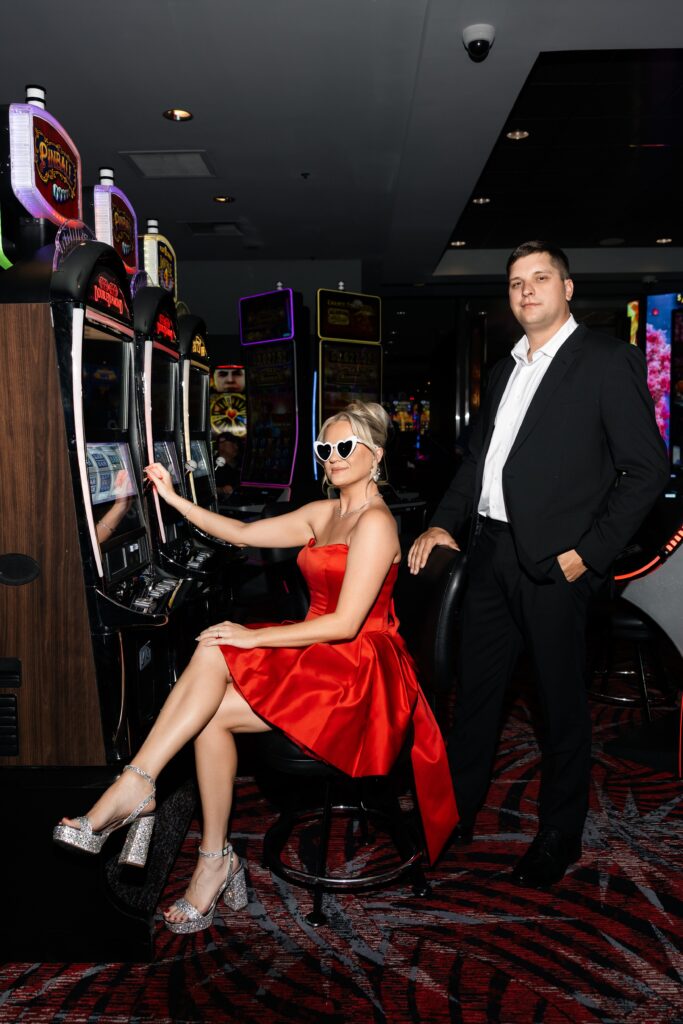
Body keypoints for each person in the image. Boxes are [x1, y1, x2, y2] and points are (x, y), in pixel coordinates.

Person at [54, 401, 458, 932]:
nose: (333, 459)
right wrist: (174, 498)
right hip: (320, 651)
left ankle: (140, 789)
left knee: (220, 644)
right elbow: (242, 535)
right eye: (324, 449)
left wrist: (252, 637)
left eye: (344, 448)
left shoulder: (377, 523)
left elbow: (345, 623)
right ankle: (209, 852)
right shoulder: (324, 511)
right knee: (212, 700)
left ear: (375, 455)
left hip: (358, 669)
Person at [408, 241, 669, 888]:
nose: (526, 291)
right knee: (475, 696)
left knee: (559, 708)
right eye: (516, 282)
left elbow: (646, 471)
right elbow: (477, 465)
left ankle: (559, 835)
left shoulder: (607, 361)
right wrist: (442, 522)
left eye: (540, 278)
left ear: (567, 288)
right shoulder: (503, 370)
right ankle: (455, 814)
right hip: (489, 555)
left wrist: (587, 555)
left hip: (557, 565)